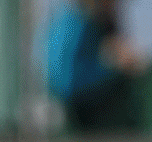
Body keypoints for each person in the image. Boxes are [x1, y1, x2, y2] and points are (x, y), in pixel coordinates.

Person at [43, 0, 143, 133]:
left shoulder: (74, 20)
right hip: (81, 120)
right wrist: (114, 70)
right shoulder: (75, 24)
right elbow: (67, 84)